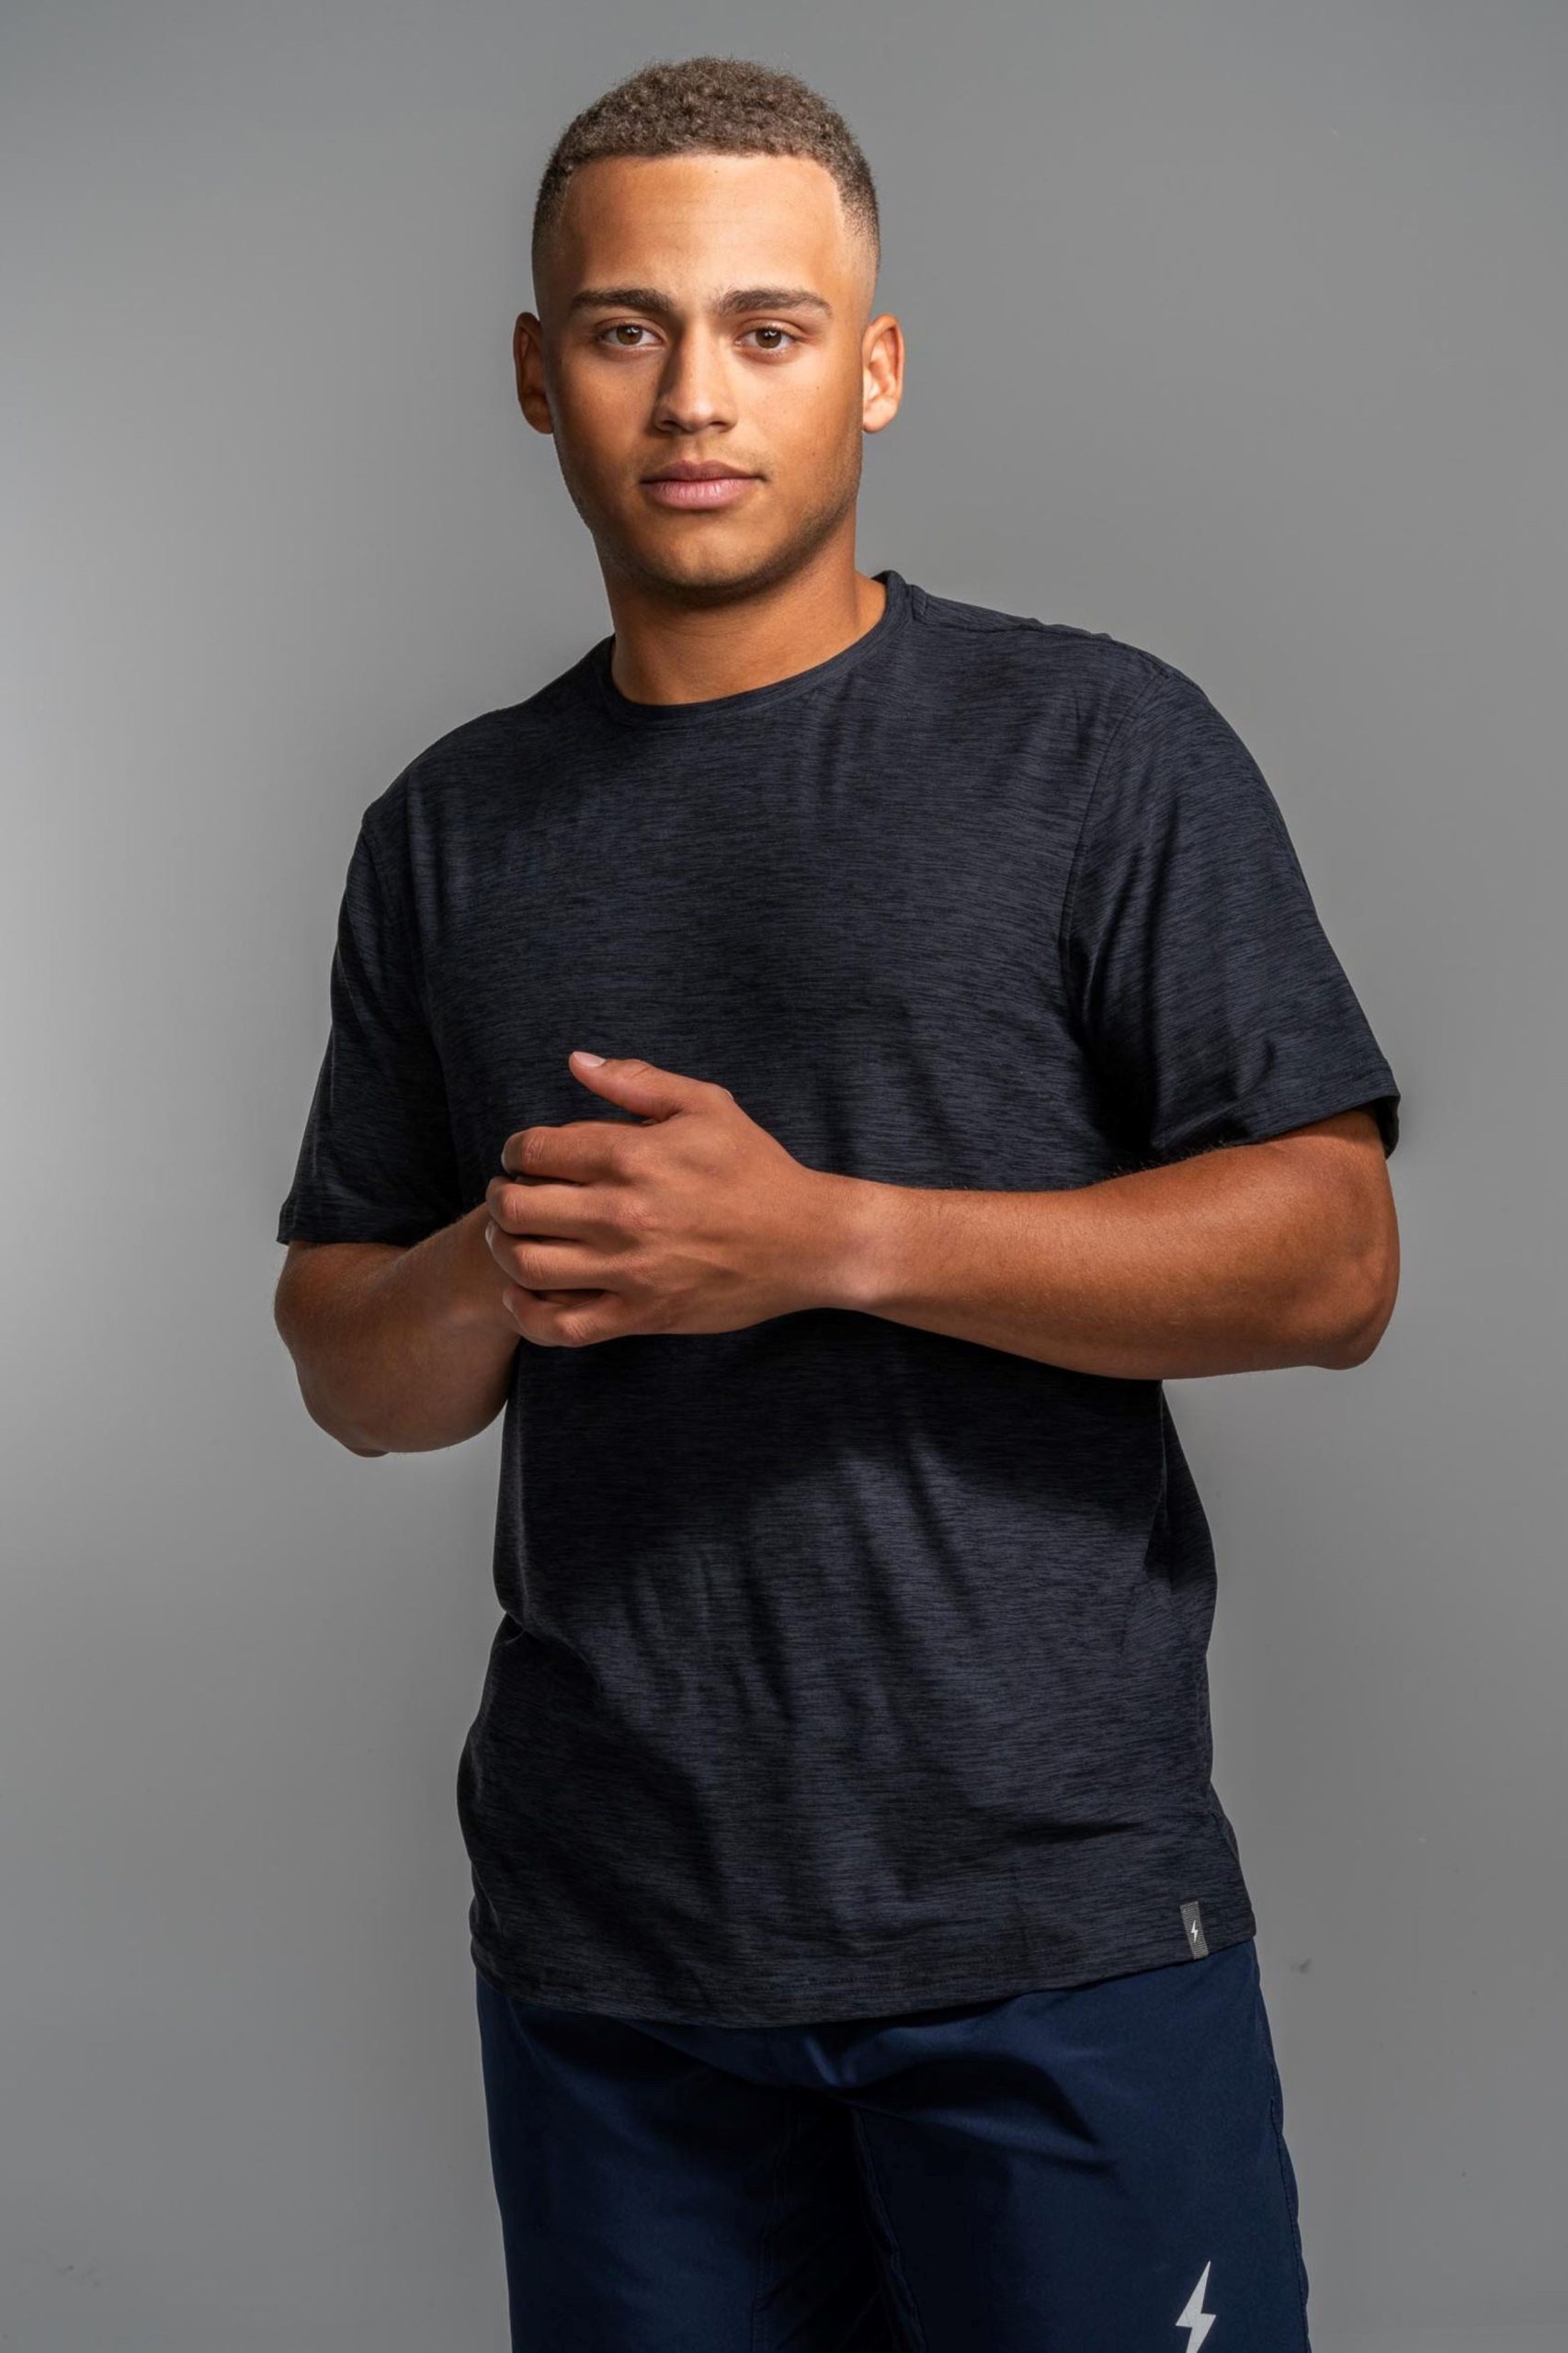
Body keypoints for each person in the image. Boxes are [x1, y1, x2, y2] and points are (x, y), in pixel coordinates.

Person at [273, 51, 1401, 2352]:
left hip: (1048, 1919)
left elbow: (1334, 1255)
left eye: (766, 329)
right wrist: (499, 1258)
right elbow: (353, 1368)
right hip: (615, 1947)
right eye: (628, 328)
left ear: (870, 369)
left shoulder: (1093, 746)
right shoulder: (447, 830)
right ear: (538, 373)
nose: (695, 394)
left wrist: (823, 1238)